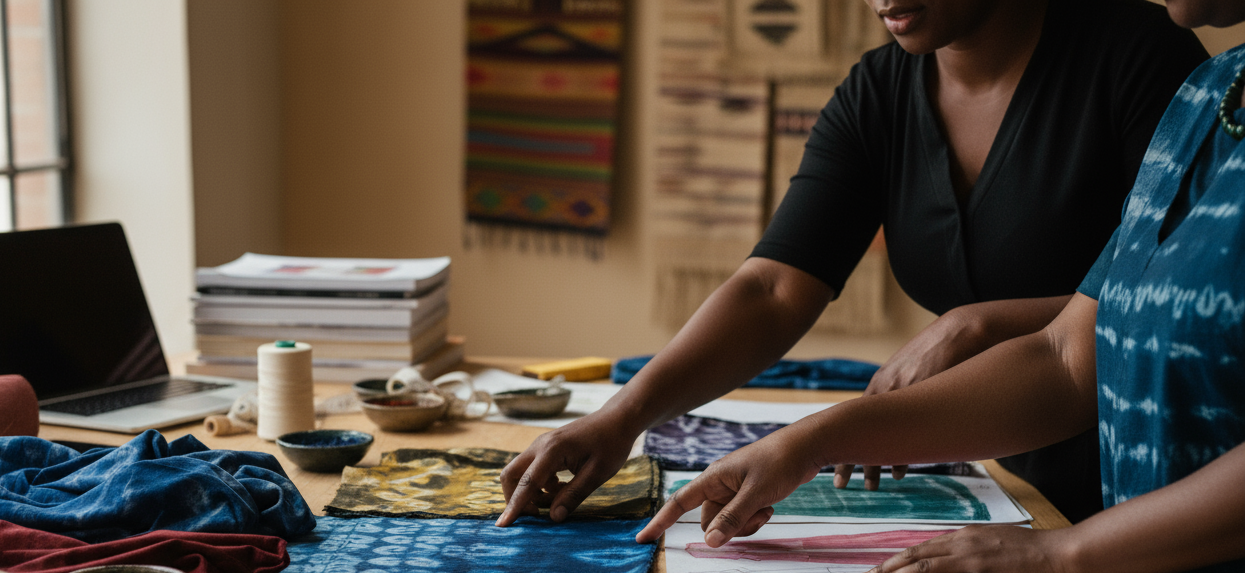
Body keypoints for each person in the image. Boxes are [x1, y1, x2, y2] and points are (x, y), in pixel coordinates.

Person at [637, 0, 1245, 573]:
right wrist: (813, 439)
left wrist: (1065, 556)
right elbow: (1071, 353)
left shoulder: (1145, 57)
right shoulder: (1211, 94)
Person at [497, 0, 1208, 526]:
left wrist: (979, 325)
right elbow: (774, 286)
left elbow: (1179, 295)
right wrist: (623, 417)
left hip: (1140, 483)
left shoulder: (1141, 58)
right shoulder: (878, 93)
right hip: (1000, 473)